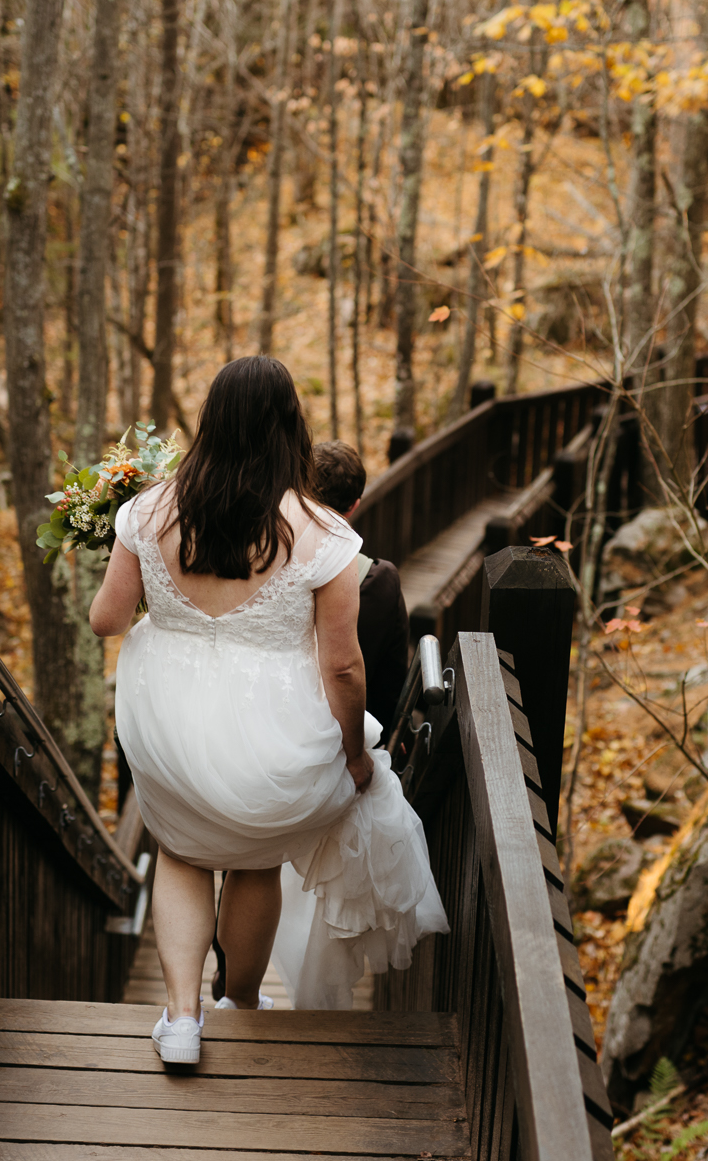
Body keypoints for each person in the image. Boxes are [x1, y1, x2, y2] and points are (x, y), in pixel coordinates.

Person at [89, 356, 448, 1066]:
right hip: (272, 722)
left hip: (169, 712)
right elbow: (343, 665)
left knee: (183, 855)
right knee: (254, 863)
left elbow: (107, 619)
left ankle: (182, 1020)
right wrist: (352, 751)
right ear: (292, 428)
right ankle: (241, 1004)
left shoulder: (147, 510)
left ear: (209, 421)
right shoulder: (325, 535)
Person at [309, 440, 409, 740]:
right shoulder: (382, 580)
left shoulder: (269, 563)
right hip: (352, 732)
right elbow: (392, 677)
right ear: (354, 505)